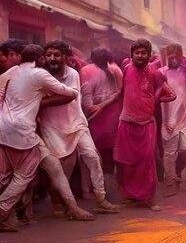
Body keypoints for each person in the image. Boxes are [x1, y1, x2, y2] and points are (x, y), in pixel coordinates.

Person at [0, 45, 80, 231]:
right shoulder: (39, 74)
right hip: (23, 132)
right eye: (46, 56)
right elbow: (69, 93)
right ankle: (3, 209)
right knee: (24, 175)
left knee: (8, 175)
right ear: (40, 59)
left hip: (5, 130)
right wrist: (42, 100)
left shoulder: (10, 75)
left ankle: (72, 207)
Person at [37, 41, 119, 213]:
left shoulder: (72, 74)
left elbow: (70, 97)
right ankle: (59, 203)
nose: (53, 58)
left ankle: (100, 198)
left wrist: (39, 103)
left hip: (76, 123)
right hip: (52, 127)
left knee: (93, 158)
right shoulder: (41, 76)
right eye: (49, 55)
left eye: (57, 55)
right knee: (60, 169)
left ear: (65, 57)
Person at [114, 39, 176, 211]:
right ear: (132, 55)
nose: (140, 56)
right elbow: (121, 93)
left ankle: (149, 198)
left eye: (143, 53)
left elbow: (172, 94)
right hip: (126, 122)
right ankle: (130, 196)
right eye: (137, 53)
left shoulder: (155, 73)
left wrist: (155, 98)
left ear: (149, 55)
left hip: (146, 123)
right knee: (126, 163)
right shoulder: (126, 69)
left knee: (147, 163)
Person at [80, 48, 123, 189]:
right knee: (108, 150)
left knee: (94, 150)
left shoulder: (87, 71)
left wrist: (99, 106)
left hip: (100, 117)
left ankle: (94, 186)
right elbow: (118, 93)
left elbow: (87, 104)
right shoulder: (115, 69)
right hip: (109, 114)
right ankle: (105, 182)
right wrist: (108, 102)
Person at [160, 44, 186, 197]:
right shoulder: (161, 73)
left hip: (183, 119)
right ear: (167, 56)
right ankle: (170, 184)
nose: (174, 58)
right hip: (168, 120)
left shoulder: (184, 71)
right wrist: (166, 122)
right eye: (171, 55)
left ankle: (177, 173)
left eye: (177, 55)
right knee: (169, 153)